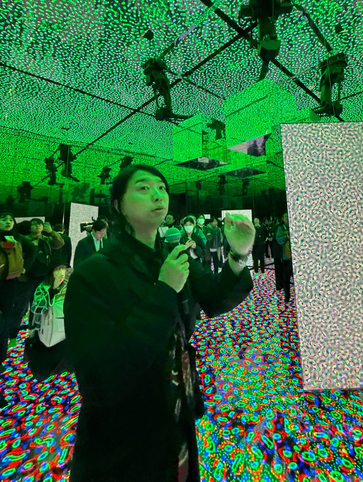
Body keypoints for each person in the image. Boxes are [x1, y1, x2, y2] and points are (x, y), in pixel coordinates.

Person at [63, 164, 255, 482]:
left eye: (162, 188)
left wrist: (239, 253)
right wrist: (165, 289)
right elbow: (99, 374)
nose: (158, 194)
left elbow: (214, 298)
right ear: (118, 205)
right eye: (143, 187)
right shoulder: (94, 272)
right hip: (121, 434)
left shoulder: (174, 256)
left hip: (176, 410)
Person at [0, 212, 38, 373]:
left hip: (9, 283)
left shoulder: (19, 239)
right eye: (3, 219)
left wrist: (25, 267)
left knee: (5, 319)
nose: (8, 222)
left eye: (10, 220)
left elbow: (32, 250)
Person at [23, 262, 74, 382]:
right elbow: (36, 309)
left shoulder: (72, 284)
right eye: (58, 268)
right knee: (44, 361)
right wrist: (53, 290)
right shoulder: (43, 287)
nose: (61, 271)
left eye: (63, 268)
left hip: (65, 328)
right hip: (45, 329)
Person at [23, 219, 65, 329]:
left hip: (45, 275)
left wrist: (52, 232)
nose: (37, 227)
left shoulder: (46, 239)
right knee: (29, 301)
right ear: (29, 227)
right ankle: (30, 325)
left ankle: (40, 324)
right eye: (34, 225)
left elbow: (60, 243)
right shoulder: (25, 240)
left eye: (39, 224)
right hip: (29, 275)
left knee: (44, 300)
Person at [274, 212, 293, 301]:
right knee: (286, 278)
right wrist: (286, 237)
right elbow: (279, 240)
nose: (287, 218)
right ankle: (287, 296)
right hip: (286, 256)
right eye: (285, 217)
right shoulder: (281, 228)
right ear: (283, 219)